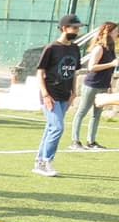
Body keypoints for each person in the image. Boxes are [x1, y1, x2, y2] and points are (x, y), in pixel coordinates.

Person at [32, 14, 84, 176]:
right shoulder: (51, 48)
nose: (77, 31)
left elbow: (74, 72)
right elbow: (40, 73)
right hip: (51, 95)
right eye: (74, 27)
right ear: (63, 28)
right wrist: (45, 95)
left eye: (78, 28)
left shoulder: (75, 48)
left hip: (65, 95)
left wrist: (74, 92)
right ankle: (47, 161)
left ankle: (39, 162)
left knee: (50, 128)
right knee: (57, 128)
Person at [69, 20, 115, 150]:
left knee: (97, 114)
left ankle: (91, 141)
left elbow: (110, 69)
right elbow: (91, 67)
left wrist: (109, 85)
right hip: (92, 85)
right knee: (82, 111)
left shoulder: (110, 49)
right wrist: (111, 64)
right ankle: (75, 140)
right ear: (109, 32)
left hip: (103, 85)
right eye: (116, 31)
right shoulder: (99, 48)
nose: (117, 33)